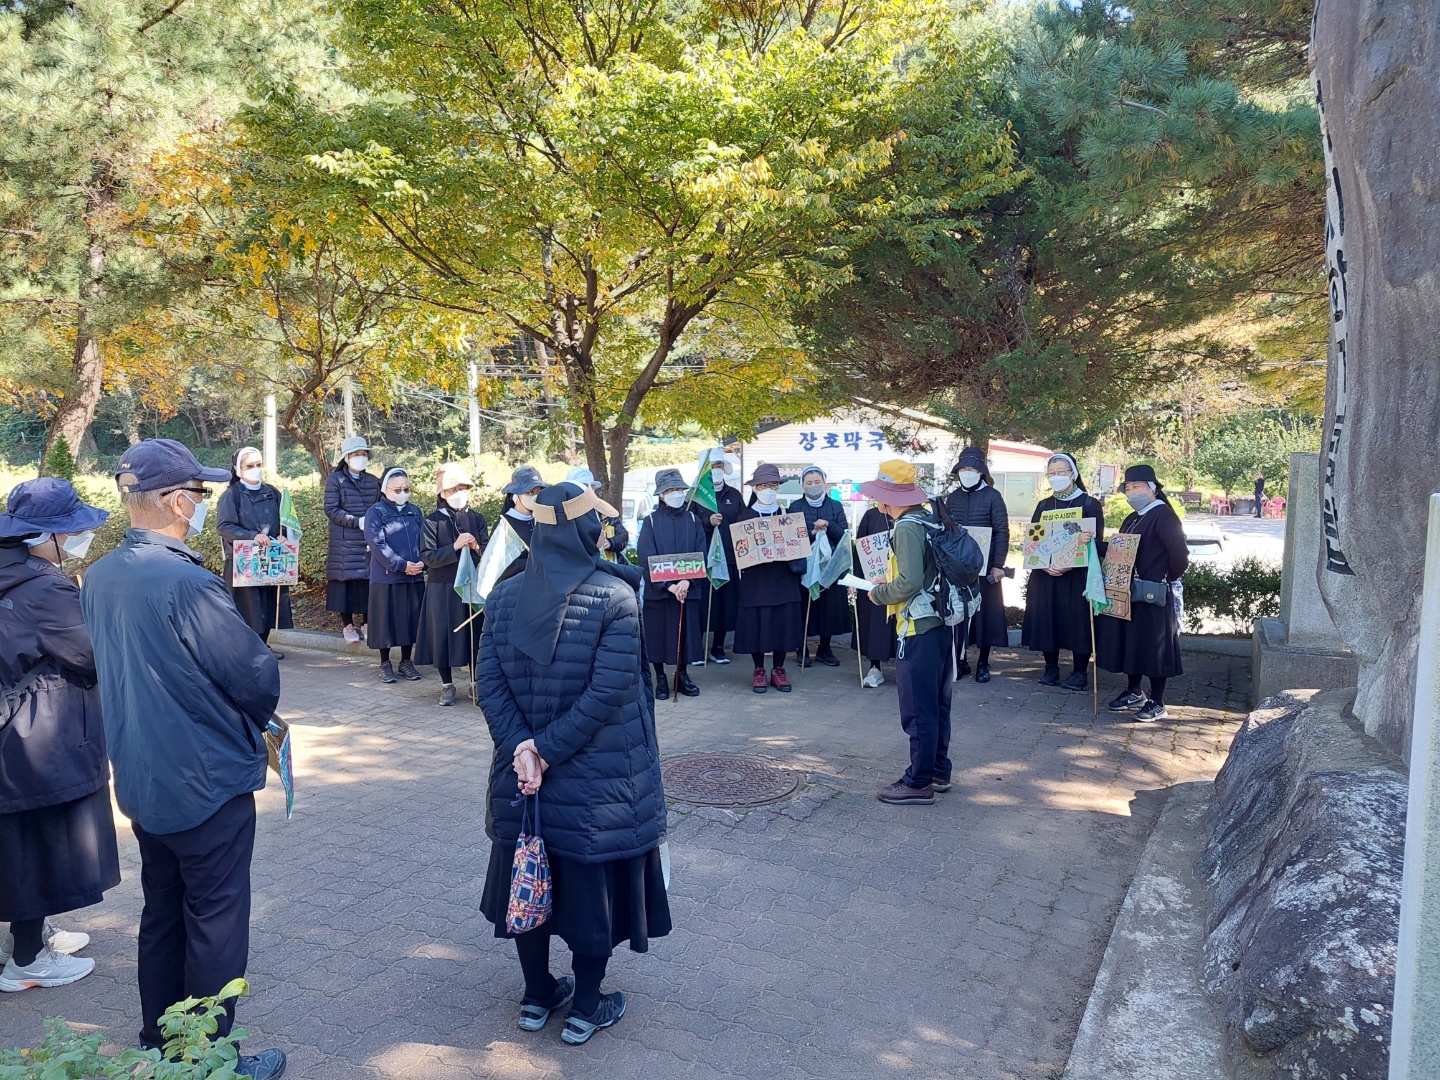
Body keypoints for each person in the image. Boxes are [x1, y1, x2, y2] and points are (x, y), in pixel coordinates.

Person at [81, 439, 285, 1078]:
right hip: (205, 779)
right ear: (175, 501)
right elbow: (254, 676)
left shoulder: (104, 573)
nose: (203, 506)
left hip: (144, 775)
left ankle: (159, 1040)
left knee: (163, 910)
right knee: (217, 920)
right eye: (200, 495)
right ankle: (208, 1058)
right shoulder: (187, 580)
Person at [476, 482, 670, 1046]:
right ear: (588, 532)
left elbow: (488, 683)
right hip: (598, 783)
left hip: (523, 779)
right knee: (590, 893)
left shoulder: (506, 594)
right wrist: (543, 750)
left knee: (527, 877)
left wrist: (523, 748)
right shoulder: (615, 597)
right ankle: (586, 1007)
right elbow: (608, 692)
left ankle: (537, 996)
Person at [0, 479, 120, 993]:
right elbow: (90, 654)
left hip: (14, 730)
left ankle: (33, 934)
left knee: (20, 838)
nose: (79, 537)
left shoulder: (11, 574)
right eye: (70, 530)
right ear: (42, 535)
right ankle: (26, 960)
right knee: (41, 839)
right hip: (40, 732)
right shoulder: (45, 586)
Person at [861, 461, 953, 805]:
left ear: (887, 497)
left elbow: (911, 582)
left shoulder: (906, 527)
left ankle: (918, 782)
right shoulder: (928, 518)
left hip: (918, 627)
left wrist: (880, 593)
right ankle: (939, 771)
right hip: (941, 624)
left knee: (918, 709)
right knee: (938, 705)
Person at [1096, 465, 1190, 722]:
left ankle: (1157, 701)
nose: (1131, 492)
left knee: (1154, 647)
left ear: (1152, 488)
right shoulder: (1133, 517)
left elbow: (1180, 556)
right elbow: (1119, 551)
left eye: (1136, 486)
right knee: (1132, 642)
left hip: (1154, 593)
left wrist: (1164, 578)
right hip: (1129, 590)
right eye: (1128, 488)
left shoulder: (1163, 516)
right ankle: (1134, 691)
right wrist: (1094, 544)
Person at [1020, 453, 1104, 692]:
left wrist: (1069, 563)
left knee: (1077, 620)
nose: (1056, 477)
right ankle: (1051, 667)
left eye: (1061, 472)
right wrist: (1041, 561)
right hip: (1046, 573)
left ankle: (1079, 672)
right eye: (1052, 473)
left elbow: (1095, 541)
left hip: (1076, 575)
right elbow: (1034, 538)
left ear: (1073, 474)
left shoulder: (1089, 504)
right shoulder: (1044, 505)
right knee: (1048, 617)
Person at [415, 463, 489, 706]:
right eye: (453, 489)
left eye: (463, 488)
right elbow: (428, 557)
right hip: (441, 586)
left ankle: (475, 681)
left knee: (475, 634)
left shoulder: (477, 518)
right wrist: (454, 547)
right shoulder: (432, 521)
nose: (459, 493)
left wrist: (477, 548)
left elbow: (489, 554)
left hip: (472, 586)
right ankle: (447, 683)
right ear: (442, 493)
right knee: (443, 635)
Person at [731, 464, 806, 693]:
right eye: (764, 486)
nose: (769, 490)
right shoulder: (744, 517)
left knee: (782, 625)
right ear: (755, 488)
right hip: (756, 581)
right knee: (758, 626)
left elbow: (800, 547)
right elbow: (737, 551)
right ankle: (759, 669)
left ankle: (779, 669)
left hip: (784, 580)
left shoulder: (787, 516)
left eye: (773, 485)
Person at [636, 468, 708, 699]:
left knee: (685, 633)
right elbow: (646, 555)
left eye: (679, 489)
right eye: (670, 490)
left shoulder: (694, 519)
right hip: (661, 592)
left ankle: (682, 674)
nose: (676, 493)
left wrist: (686, 580)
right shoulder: (651, 521)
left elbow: (701, 552)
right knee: (657, 635)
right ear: (661, 494)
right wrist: (668, 585)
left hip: (688, 589)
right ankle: (660, 677)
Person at [215, 447, 293, 659]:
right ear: (238, 470)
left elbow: (285, 520)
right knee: (247, 606)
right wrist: (251, 536)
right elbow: (224, 526)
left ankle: (263, 646)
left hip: (270, 558)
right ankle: (244, 649)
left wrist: (284, 535)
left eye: (259, 465)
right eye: (250, 466)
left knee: (268, 603)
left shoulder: (272, 492)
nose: (255, 470)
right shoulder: (232, 495)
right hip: (244, 559)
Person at [944, 447, 1010, 683]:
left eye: (972, 468)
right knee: (959, 613)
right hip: (957, 568)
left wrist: (998, 564)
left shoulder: (993, 496)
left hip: (986, 568)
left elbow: (1002, 531)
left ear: (981, 471)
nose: (967, 472)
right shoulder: (953, 497)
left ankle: (983, 661)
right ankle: (960, 661)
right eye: (963, 468)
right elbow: (946, 530)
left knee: (984, 616)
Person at [364, 467, 426, 684]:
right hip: (387, 577)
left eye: (406, 489)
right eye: (397, 489)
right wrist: (401, 565)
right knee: (385, 622)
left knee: (410, 621)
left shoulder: (415, 512)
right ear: (385, 489)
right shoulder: (376, 512)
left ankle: (406, 661)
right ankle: (384, 663)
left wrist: (422, 563)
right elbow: (377, 545)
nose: (402, 493)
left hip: (413, 576)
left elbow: (425, 541)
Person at [789, 466, 849, 668]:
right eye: (809, 483)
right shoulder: (795, 506)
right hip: (803, 566)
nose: (814, 486)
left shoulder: (835, 505)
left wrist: (829, 525)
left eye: (817, 482)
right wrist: (812, 532)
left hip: (830, 566)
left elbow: (844, 536)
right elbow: (791, 538)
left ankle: (825, 648)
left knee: (828, 608)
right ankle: (801, 648)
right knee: (803, 606)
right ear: (802, 486)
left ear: (824, 483)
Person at [323, 435, 380, 644]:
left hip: (367, 540)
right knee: (343, 585)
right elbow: (331, 509)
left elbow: (379, 506)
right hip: (344, 542)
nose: (361, 458)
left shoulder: (373, 481)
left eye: (364, 454)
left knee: (366, 583)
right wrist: (357, 521)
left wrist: (372, 523)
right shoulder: (335, 480)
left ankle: (366, 623)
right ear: (347, 458)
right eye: (356, 454)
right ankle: (347, 625)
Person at [698, 450, 743, 663]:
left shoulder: (734, 495)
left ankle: (718, 647)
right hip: (702, 560)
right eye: (712, 466)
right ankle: (697, 647)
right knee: (702, 605)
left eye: (719, 465)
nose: (716, 470)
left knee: (725, 605)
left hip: (729, 557)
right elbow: (688, 524)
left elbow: (743, 524)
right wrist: (707, 522)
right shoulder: (695, 495)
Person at [852, 502, 896, 687]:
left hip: (902, 581)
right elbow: (860, 550)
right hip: (874, 579)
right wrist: (855, 580)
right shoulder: (871, 516)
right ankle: (874, 667)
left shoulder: (910, 517)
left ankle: (905, 668)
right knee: (874, 621)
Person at [494, 466, 546, 583]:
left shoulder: (542, 519)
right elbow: (499, 565)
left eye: (538, 492)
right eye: (530, 492)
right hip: (514, 587)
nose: (535, 496)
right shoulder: (504, 525)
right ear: (516, 496)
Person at [566, 467, 629, 559]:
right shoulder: (564, 513)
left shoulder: (603, 511)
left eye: (591, 488)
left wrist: (611, 542)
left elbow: (623, 535)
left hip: (608, 565)